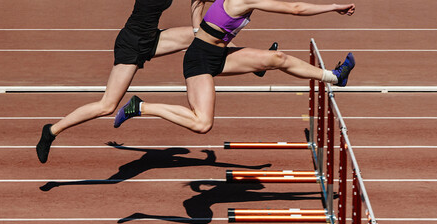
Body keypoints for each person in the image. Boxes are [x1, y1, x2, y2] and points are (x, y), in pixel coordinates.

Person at [36, 0, 275, 164]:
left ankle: (256, 66)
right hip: (131, 44)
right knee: (107, 106)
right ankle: (52, 130)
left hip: (152, 38)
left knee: (202, 35)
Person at [114, 0, 356, 134]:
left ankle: (335, 77)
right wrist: (333, 7)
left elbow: (196, 2)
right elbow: (295, 9)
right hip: (199, 60)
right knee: (202, 124)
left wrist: (198, 27)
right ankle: (141, 107)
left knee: (278, 58)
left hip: (219, 53)